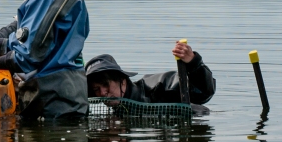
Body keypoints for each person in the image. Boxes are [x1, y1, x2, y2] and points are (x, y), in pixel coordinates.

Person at [86, 41, 216, 105]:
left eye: (106, 85)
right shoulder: (114, 116)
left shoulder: (159, 86)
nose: (102, 93)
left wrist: (194, 63)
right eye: (96, 89)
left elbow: (204, 92)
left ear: (122, 81)